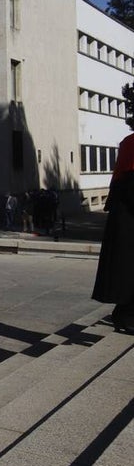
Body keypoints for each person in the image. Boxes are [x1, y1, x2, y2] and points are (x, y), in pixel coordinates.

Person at [93, 132, 134, 334]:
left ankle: (125, 313)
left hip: (126, 213)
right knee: (127, 270)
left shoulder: (129, 142)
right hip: (128, 216)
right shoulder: (131, 143)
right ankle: (125, 315)